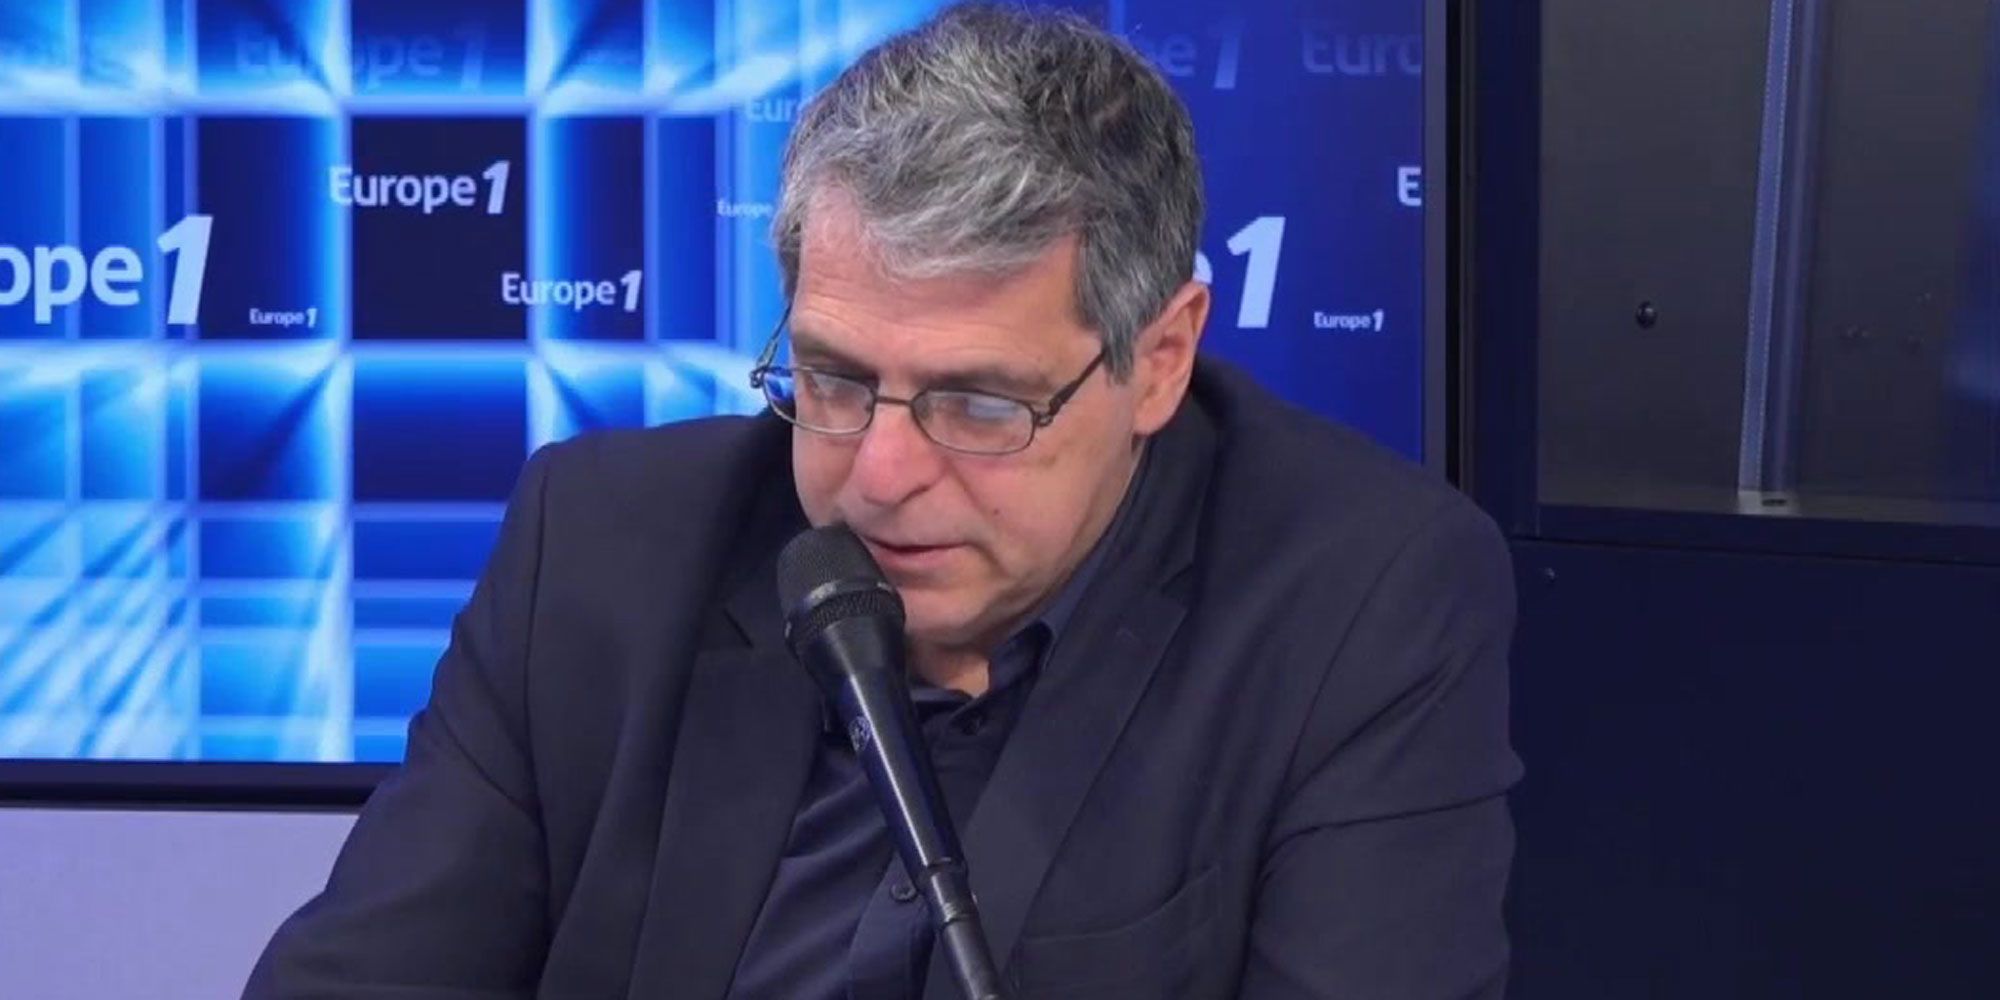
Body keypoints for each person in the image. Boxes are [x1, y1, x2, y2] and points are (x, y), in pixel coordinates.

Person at [244, 4, 1520, 997]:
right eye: (834, 380)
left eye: (979, 404)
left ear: (1159, 359)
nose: (878, 475)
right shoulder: (599, 549)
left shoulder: (1356, 604)